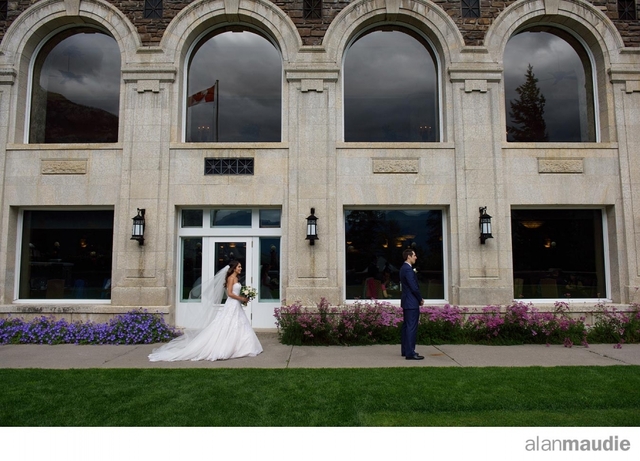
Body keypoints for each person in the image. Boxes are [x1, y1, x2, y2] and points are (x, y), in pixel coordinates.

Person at [149, 260, 263, 362]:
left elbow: (236, 292)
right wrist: (242, 298)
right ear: (233, 268)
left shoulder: (237, 278)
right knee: (228, 324)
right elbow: (230, 294)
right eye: (239, 266)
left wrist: (243, 298)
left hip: (236, 304)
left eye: (240, 266)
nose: (240, 268)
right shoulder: (231, 278)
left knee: (240, 324)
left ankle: (242, 346)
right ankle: (225, 347)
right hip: (232, 304)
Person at [399, 248, 424, 360]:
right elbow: (413, 286)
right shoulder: (408, 270)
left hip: (406, 301)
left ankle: (405, 350)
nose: (415, 257)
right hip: (411, 302)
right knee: (411, 327)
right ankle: (410, 352)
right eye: (414, 255)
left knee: (406, 326)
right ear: (408, 256)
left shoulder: (403, 268)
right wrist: (420, 299)